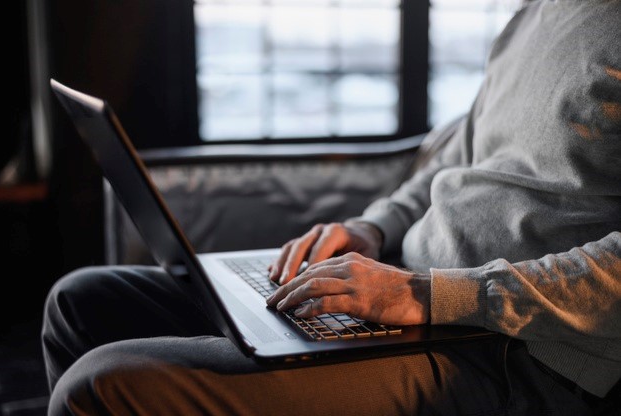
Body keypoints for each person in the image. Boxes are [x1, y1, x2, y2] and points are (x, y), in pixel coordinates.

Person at [42, 0, 621, 414]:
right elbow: (454, 165)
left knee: (102, 387)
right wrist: (371, 228)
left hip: (516, 354)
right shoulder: (534, 16)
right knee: (80, 301)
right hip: (412, 301)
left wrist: (426, 296)